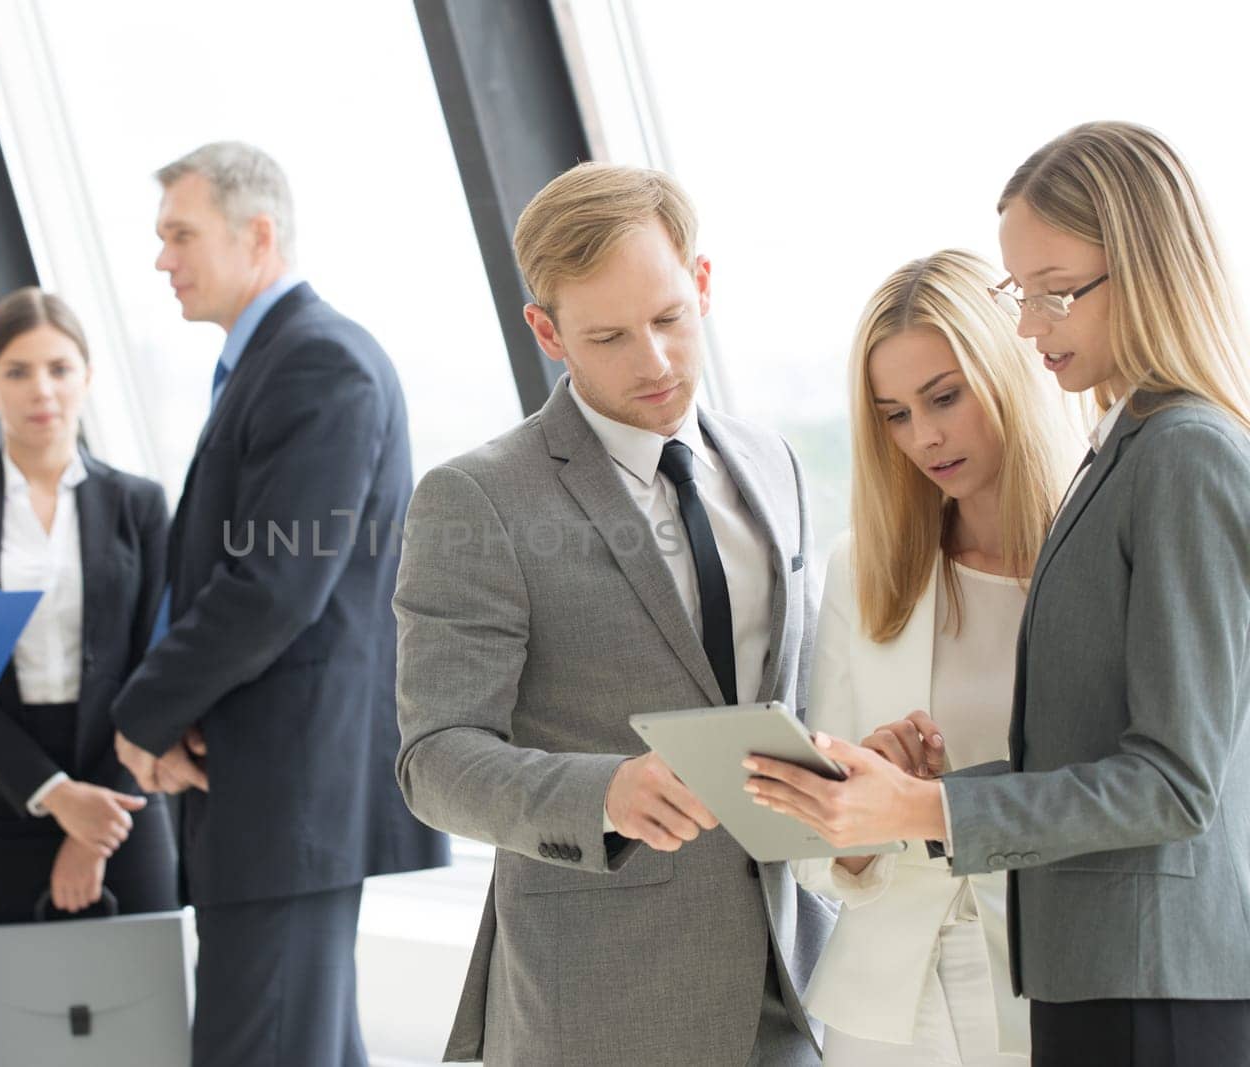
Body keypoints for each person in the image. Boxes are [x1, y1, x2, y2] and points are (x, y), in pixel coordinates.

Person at [748, 121, 1250, 1067]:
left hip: (1135, 972)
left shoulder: (1181, 455)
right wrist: (896, 795)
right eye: (1021, 295)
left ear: (1143, 268)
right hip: (1058, 978)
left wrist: (922, 809)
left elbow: (1178, 784)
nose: (1030, 324)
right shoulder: (1127, 455)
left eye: (1054, 293)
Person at [394, 161, 830, 1067]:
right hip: (600, 1003)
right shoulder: (477, 498)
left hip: (794, 980)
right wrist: (604, 793)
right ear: (548, 332)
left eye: (670, 318)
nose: (656, 361)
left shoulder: (773, 464)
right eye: (610, 337)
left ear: (702, 283)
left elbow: (793, 691)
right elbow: (434, 759)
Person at [108, 141, 449, 1067]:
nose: (160, 259)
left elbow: (274, 584)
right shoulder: (279, 360)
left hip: (285, 789)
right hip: (269, 785)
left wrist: (144, 713)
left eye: (180, 234)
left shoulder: (317, 362)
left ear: (258, 234)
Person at [791, 249, 1069, 1065]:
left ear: (1009, 366)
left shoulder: (1093, 558)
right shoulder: (867, 569)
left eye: (943, 397)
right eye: (895, 414)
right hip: (890, 1009)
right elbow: (819, 850)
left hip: (1053, 980)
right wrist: (869, 796)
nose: (925, 436)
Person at [0, 287, 178, 964]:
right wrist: (53, 796)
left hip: (120, 798)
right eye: (18, 371)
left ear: (87, 376)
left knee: (142, 1028)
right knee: (16, 1028)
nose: (42, 390)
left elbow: (162, 664)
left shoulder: (139, 505)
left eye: (59, 368)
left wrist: (91, 827)